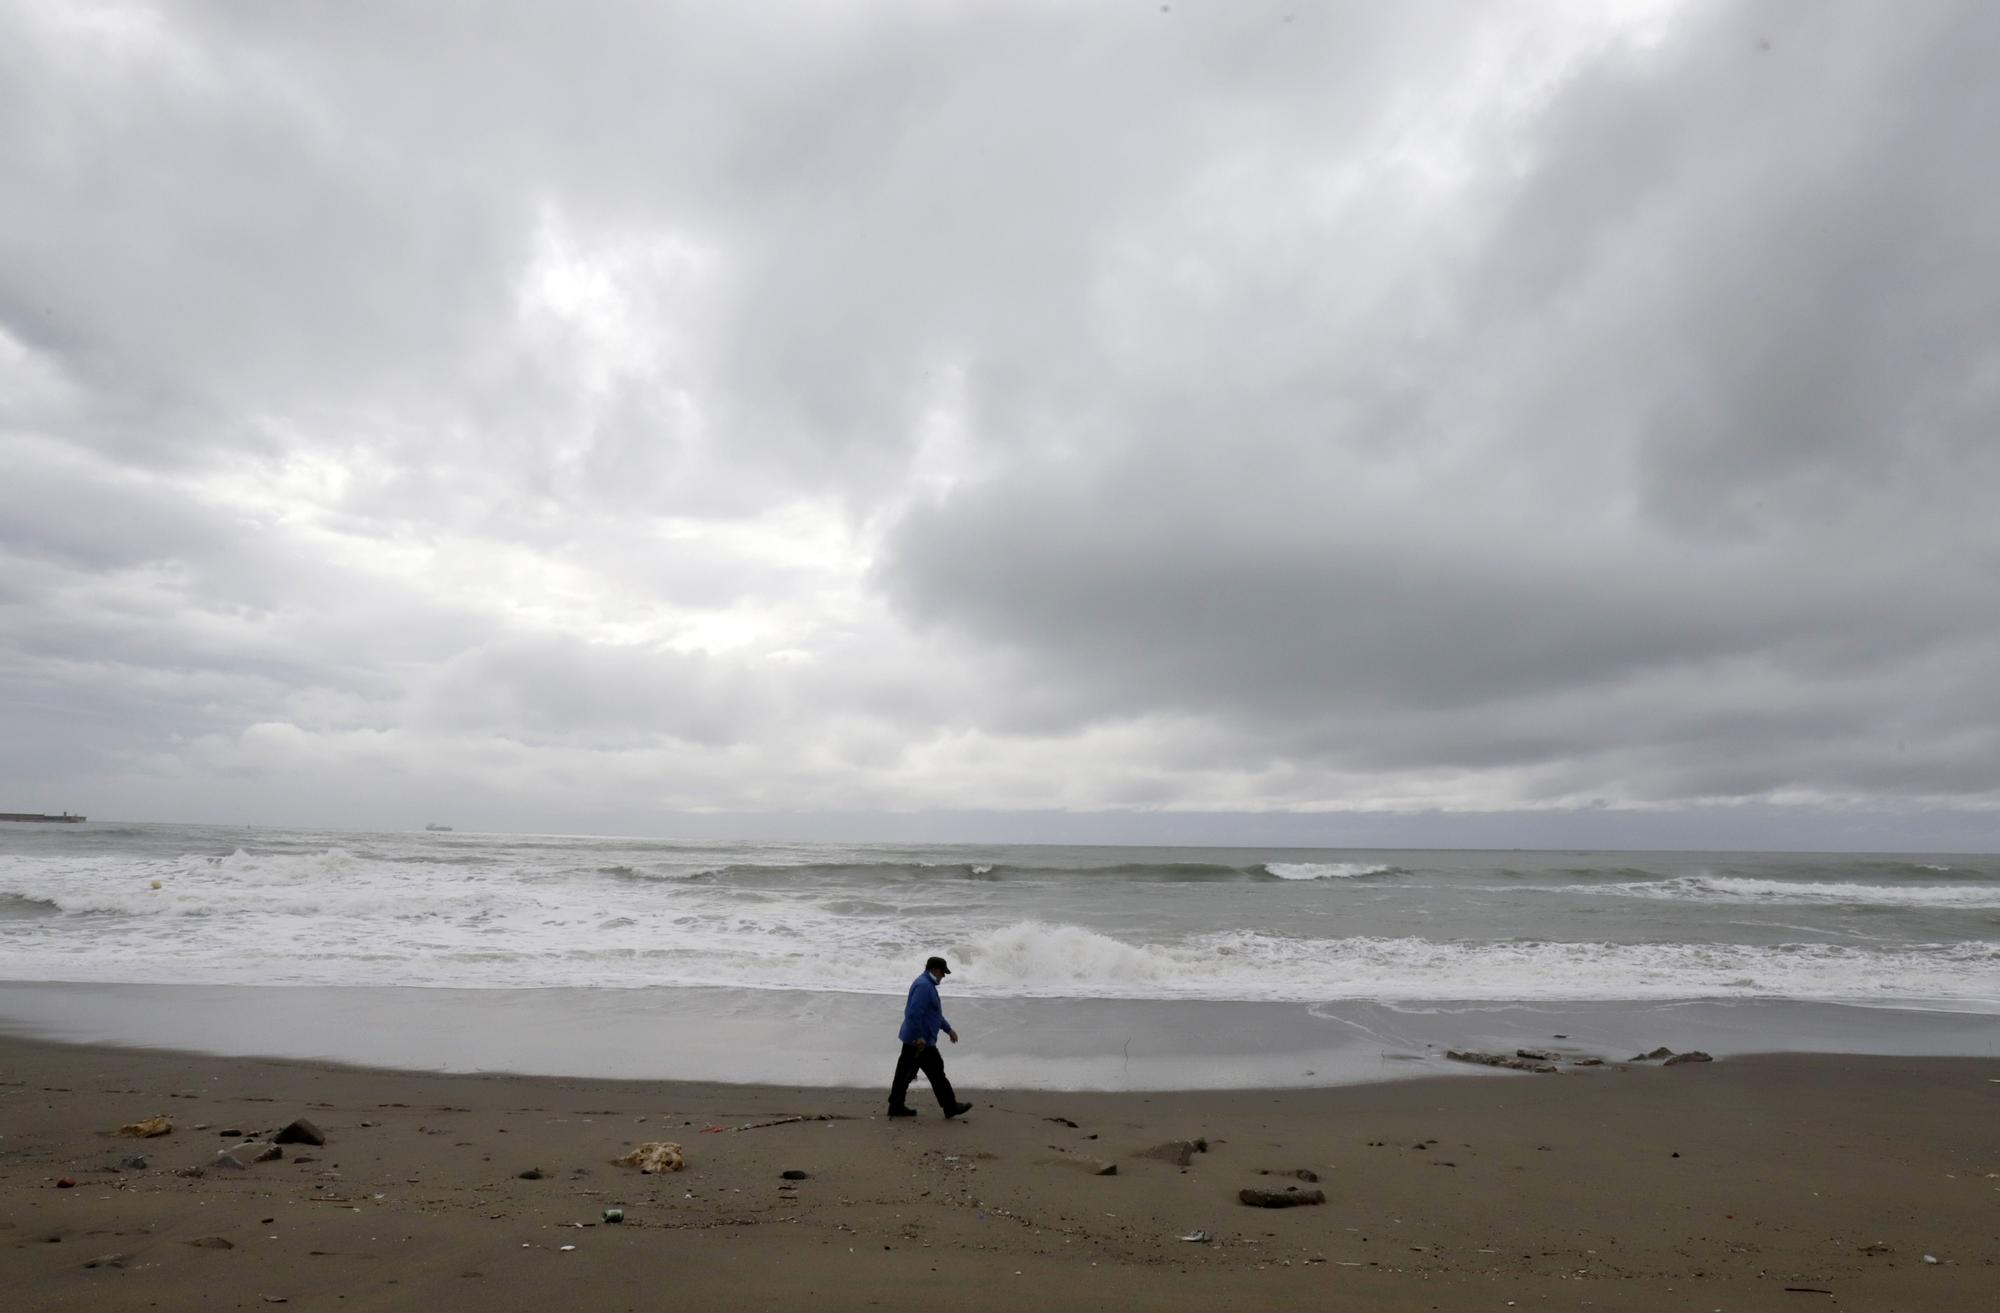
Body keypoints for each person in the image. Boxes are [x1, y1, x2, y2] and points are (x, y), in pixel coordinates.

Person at [887, 955, 973, 1118]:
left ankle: (896, 1106)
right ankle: (950, 1107)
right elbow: (913, 1013)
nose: (944, 976)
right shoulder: (924, 986)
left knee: (905, 1074)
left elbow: (933, 1014)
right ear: (934, 969)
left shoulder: (926, 984)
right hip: (920, 1041)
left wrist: (948, 1029)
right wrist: (919, 1036)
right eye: (942, 972)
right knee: (936, 1073)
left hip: (916, 1039)